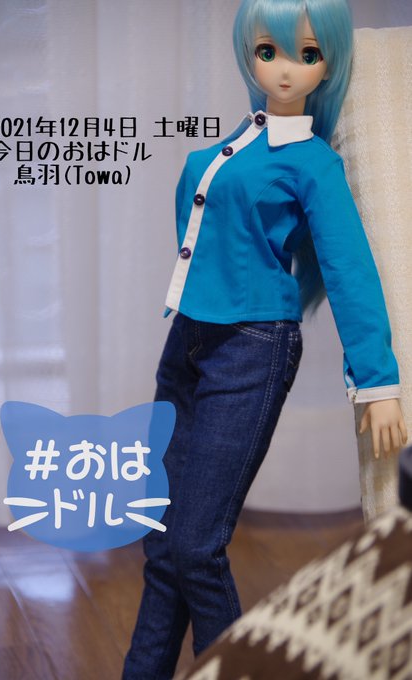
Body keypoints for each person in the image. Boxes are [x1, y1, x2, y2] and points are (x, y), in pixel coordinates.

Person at [122, 0, 408, 677]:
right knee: (163, 543)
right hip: (188, 340)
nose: (285, 69)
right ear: (247, 53)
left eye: (307, 54)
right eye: (267, 50)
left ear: (327, 65)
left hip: (252, 348)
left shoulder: (312, 164)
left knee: (196, 546)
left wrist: (378, 383)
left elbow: (349, 271)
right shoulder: (237, 145)